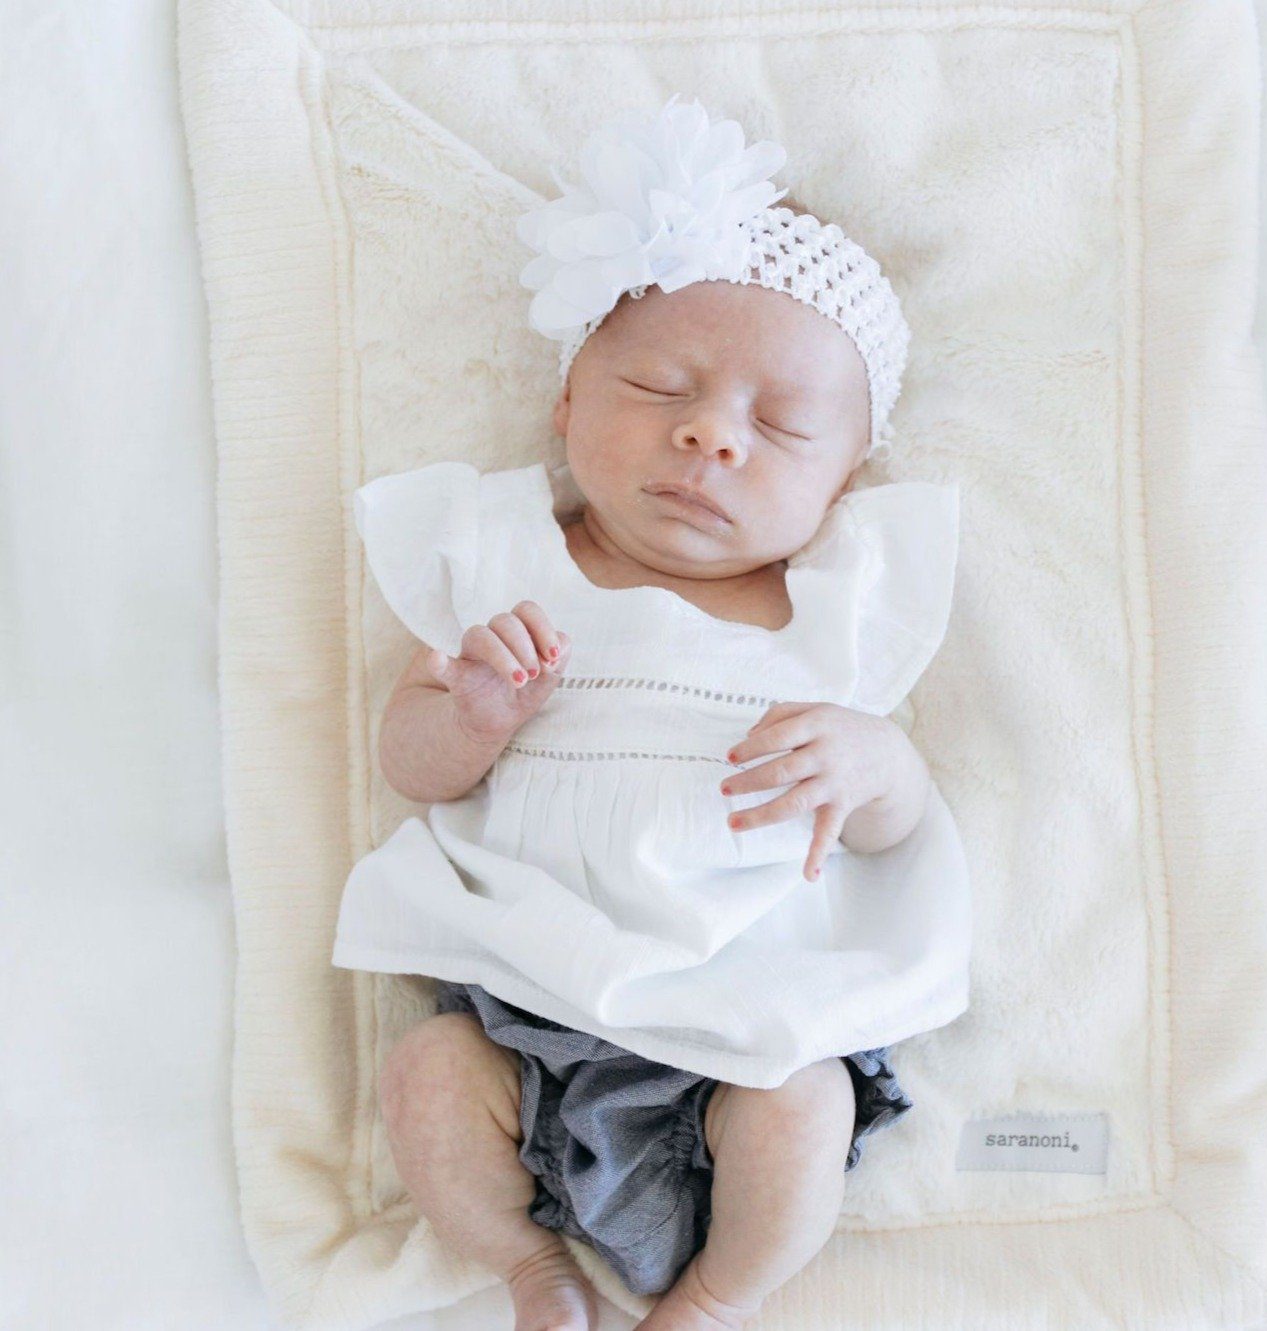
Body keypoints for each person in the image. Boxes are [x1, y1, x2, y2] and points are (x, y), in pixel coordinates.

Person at [331, 94, 971, 1331]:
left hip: (746, 1015)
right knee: (424, 1076)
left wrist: (869, 759)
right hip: (522, 999)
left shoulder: (836, 614)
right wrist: (467, 709)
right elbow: (412, 767)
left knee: (804, 1103)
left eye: (778, 425)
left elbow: (892, 828)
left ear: (844, 478)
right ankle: (530, 1272)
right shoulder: (506, 560)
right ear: (566, 404)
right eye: (657, 385)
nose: (705, 435)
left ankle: (717, 1296)